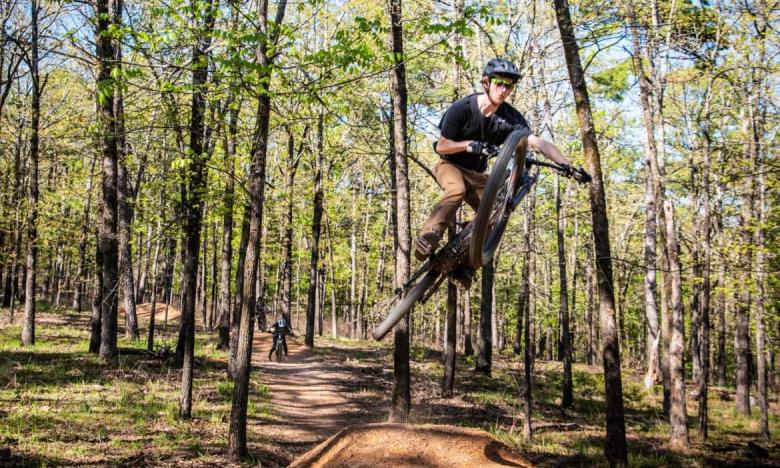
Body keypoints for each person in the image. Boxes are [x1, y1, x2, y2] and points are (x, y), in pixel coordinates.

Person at [414, 58, 585, 288]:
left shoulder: (509, 118)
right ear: (487, 82)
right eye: (499, 83)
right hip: (450, 165)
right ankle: (429, 236)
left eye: (509, 86)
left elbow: (537, 142)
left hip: (477, 174)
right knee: (456, 189)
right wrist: (468, 145)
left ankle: (465, 265)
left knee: (500, 210)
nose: (504, 90)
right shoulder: (463, 109)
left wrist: (568, 165)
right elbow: (442, 146)